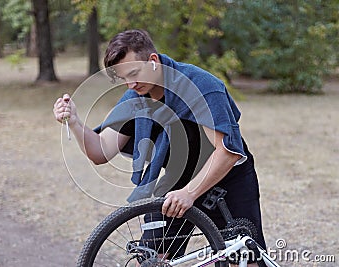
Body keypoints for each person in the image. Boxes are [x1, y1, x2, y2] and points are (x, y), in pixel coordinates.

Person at [53, 29, 266, 265]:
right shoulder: (135, 96)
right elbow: (100, 151)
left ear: (153, 61)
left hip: (228, 180)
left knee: (244, 260)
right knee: (150, 260)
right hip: (177, 183)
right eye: (124, 78)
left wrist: (190, 193)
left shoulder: (202, 85)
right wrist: (74, 121)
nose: (130, 84)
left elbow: (227, 152)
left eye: (134, 73)